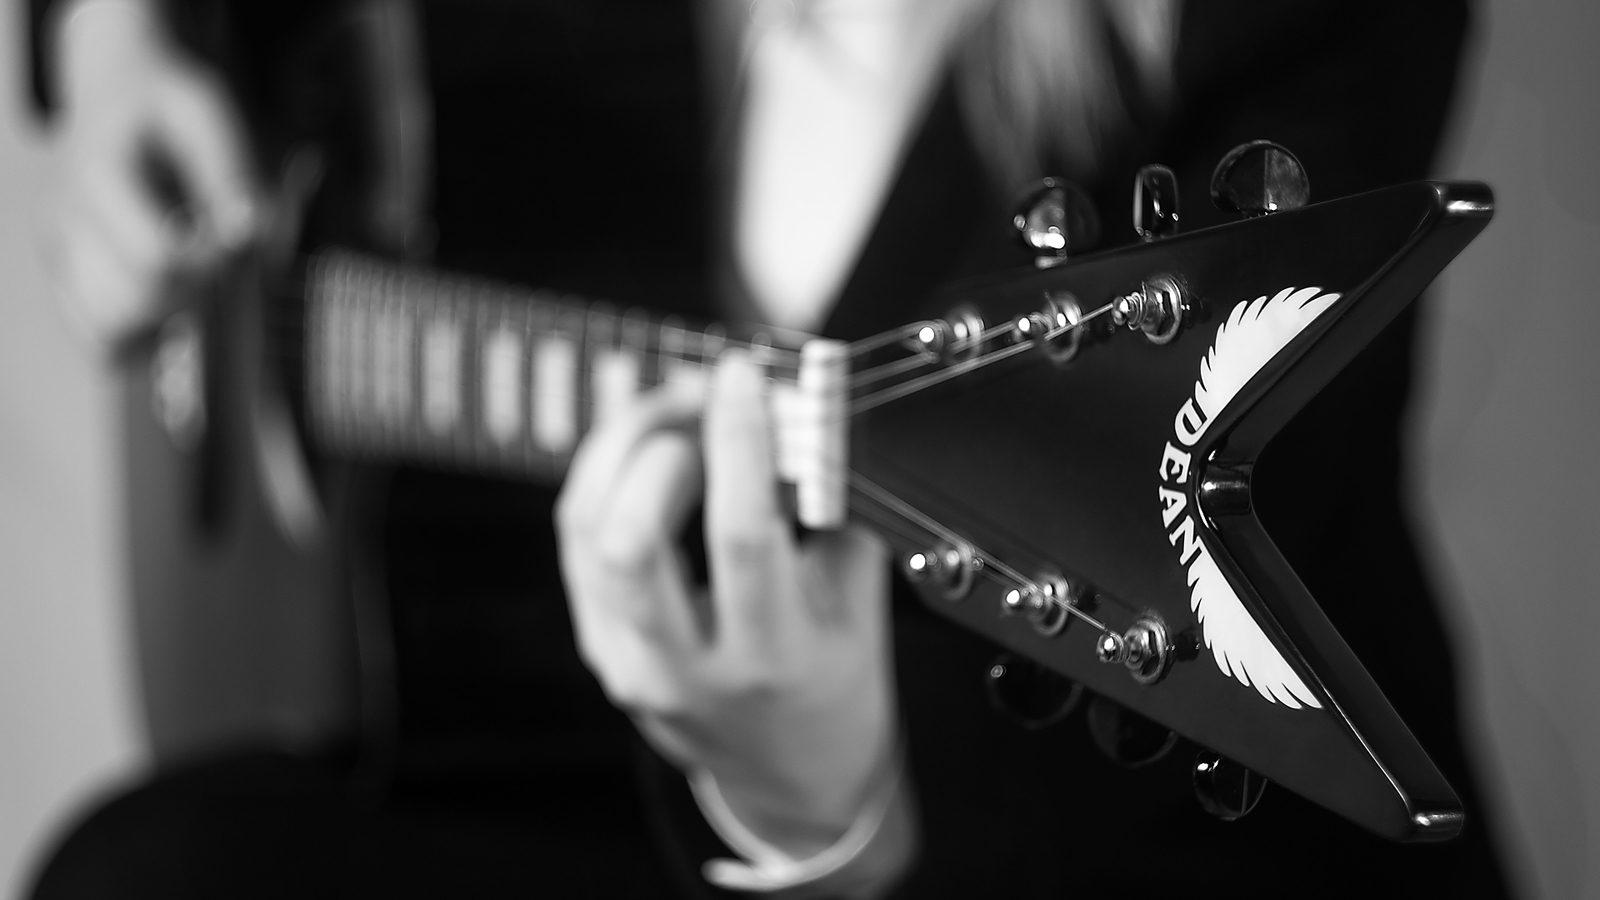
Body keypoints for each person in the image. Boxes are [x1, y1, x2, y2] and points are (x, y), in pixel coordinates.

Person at [28, 0, 1512, 897]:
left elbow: (1189, 759)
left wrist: (845, 814)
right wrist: (111, 42)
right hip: (526, 726)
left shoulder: (1286, 29)